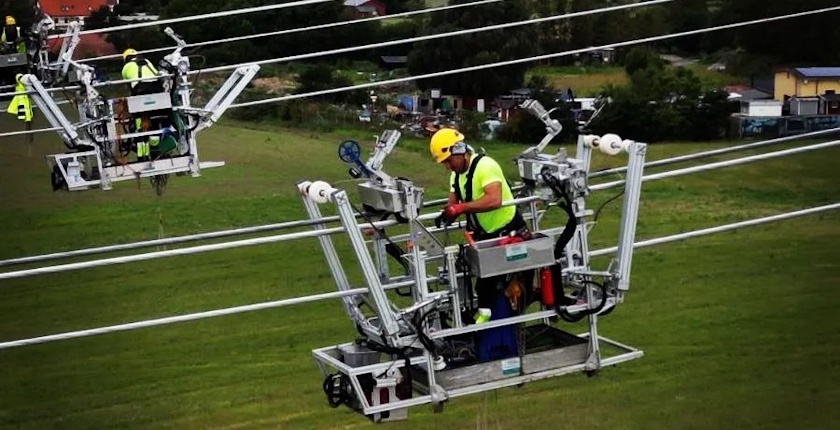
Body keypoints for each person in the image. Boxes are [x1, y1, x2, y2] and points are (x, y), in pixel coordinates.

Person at [429, 128, 531, 361]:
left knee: (491, 286)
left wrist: (461, 209)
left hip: (507, 232)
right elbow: (454, 199)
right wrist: (448, 212)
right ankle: (483, 325)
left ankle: (490, 327)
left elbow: (494, 199)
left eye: (448, 161)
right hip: (485, 235)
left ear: (460, 150)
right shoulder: (456, 175)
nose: (447, 166)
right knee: (483, 284)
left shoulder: (486, 166)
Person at [121, 49, 163, 161]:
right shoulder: (147, 61)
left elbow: (129, 85)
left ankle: (142, 156)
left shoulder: (126, 68)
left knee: (139, 124)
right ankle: (155, 151)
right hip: (158, 92)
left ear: (126, 59)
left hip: (141, 92)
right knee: (155, 121)